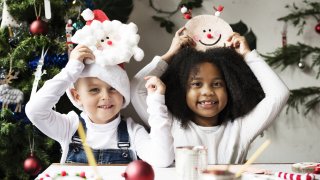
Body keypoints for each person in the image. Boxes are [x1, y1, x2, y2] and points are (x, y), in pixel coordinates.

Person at [130, 27, 290, 164]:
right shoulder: (169, 124)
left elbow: (279, 93)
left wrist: (248, 55)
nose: (207, 92)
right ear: (182, 91)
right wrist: (170, 54)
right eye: (196, 84)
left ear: (232, 89)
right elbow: (137, 88)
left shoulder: (241, 129)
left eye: (217, 84)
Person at [25, 45, 174, 167]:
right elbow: (34, 110)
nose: (106, 96)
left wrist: (156, 102)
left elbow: (162, 159)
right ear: (77, 96)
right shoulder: (69, 127)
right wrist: (70, 71)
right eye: (94, 90)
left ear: (123, 94)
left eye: (113, 88)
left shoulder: (133, 132)